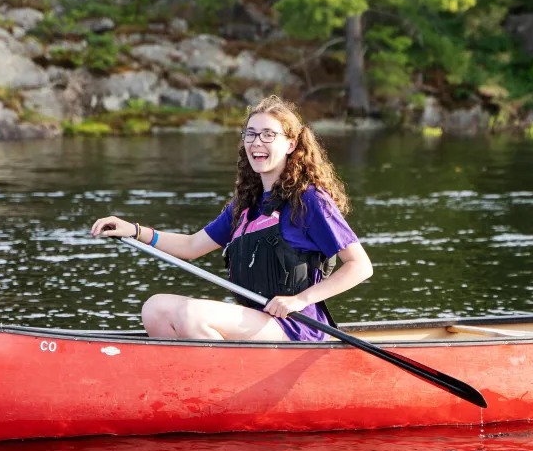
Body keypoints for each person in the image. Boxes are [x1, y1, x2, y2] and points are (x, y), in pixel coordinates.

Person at [89, 96, 373, 341]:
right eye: (250, 134)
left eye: (268, 135)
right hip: (255, 320)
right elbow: (191, 246)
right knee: (155, 307)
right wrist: (135, 231)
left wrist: (299, 300)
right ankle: (187, 389)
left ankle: (215, 394)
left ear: (290, 144)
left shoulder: (309, 200)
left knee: (193, 315)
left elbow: (360, 266)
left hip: (297, 328)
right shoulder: (244, 206)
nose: (256, 142)